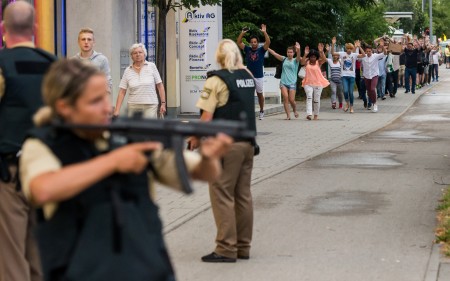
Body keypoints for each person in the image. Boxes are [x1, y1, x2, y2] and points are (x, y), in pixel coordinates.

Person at [19, 59, 232, 280]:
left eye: (106, 97)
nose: (106, 108)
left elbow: (202, 172)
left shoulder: (130, 137)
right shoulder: (42, 145)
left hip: (148, 271)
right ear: (64, 107)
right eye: (94, 101)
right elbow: (43, 189)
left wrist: (209, 158)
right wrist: (114, 162)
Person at [0, 2, 57, 281]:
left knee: (10, 256)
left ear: (3, 29)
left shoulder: (2, 65)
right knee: (40, 254)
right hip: (47, 172)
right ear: (35, 28)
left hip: (8, 173)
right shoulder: (55, 66)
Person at [189, 39, 257, 263]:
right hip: (248, 144)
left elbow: (206, 117)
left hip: (225, 146)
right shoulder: (247, 78)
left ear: (219, 57)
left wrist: (194, 138)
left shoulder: (217, 80)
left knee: (221, 193)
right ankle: (243, 247)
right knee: (243, 195)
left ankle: (226, 248)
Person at [113, 43, 166, 119]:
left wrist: (163, 103)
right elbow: (122, 91)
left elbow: (160, 86)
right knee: (134, 129)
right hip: (133, 106)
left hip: (150, 105)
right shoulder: (128, 70)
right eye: (135, 53)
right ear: (131, 56)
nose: (137, 54)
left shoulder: (151, 66)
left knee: (149, 129)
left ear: (144, 54)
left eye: (140, 52)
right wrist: (117, 110)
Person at [237, 24, 270, 120]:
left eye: (255, 42)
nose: (253, 43)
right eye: (252, 42)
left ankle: (261, 110)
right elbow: (239, 42)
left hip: (259, 76)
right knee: (247, 94)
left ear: (257, 43)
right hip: (249, 75)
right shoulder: (247, 49)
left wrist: (264, 32)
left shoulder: (261, 50)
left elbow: (268, 42)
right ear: (250, 43)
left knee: (259, 94)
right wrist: (242, 33)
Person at [72, 28, 112, 94]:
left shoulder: (102, 60)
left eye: (89, 39)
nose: (86, 42)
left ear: (94, 42)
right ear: (78, 42)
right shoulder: (73, 61)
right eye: (83, 39)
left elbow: (108, 84)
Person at [268, 42, 301, 120]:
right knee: (285, 97)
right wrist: (267, 48)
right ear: (286, 53)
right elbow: (274, 54)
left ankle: (295, 110)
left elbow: (299, 56)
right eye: (288, 52)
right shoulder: (284, 59)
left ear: (293, 53)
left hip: (292, 82)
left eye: (291, 52)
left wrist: (298, 49)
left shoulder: (296, 61)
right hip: (283, 82)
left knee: (291, 100)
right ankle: (288, 115)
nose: (289, 54)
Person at [331, 37, 365, 113]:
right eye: (348, 49)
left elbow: (363, 55)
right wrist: (333, 44)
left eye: (350, 49)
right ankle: (347, 103)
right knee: (345, 91)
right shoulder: (342, 54)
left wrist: (359, 47)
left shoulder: (354, 55)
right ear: (346, 49)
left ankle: (351, 107)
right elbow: (332, 53)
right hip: (344, 76)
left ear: (352, 49)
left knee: (351, 92)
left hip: (352, 76)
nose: (349, 50)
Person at [301, 43, 330, 120]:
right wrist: (305, 54)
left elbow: (324, 59)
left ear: (316, 57)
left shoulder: (318, 62)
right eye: (311, 57)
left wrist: (321, 51)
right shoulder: (306, 62)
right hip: (308, 83)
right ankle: (309, 114)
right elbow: (301, 62)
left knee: (316, 100)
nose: (313, 58)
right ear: (309, 57)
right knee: (309, 97)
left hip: (318, 83)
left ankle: (316, 115)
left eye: (314, 57)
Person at [360, 44, 386, 112]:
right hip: (366, 76)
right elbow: (353, 55)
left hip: (374, 75)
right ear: (365, 51)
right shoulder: (363, 57)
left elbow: (385, 53)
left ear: (372, 51)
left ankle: (375, 104)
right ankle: (371, 101)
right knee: (369, 91)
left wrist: (383, 46)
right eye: (367, 51)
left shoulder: (375, 56)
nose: (368, 52)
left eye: (369, 51)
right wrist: (358, 47)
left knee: (372, 89)